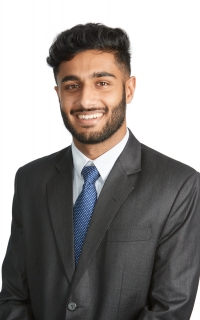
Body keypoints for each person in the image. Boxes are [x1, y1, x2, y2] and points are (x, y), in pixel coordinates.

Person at [0, 23, 200, 320]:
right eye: (72, 86)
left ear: (129, 89)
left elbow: (169, 309)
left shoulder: (178, 185)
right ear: (58, 93)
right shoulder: (31, 179)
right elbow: (14, 295)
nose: (85, 101)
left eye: (102, 83)